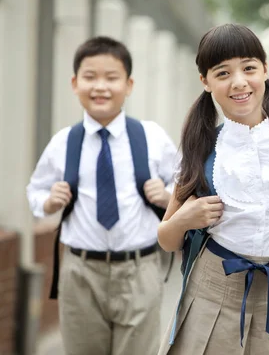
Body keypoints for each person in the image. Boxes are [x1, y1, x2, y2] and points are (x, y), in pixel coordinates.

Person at [156, 23, 269, 355]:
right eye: (223, 72)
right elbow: (167, 238)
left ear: (265, 70)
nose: (239, 82)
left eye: (249, 68)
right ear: (206, 81)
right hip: (216, 290)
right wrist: (186, 218)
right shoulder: (201, 146)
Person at [26, 36, 178, 355]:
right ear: (74, 82)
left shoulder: (151, 137)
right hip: (80, 271)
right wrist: (48, 201)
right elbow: (35, 190)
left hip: (140, 268)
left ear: (129, 84)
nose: (101, 87)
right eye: (90, 77)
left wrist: (166, 197)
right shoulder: (64, 142)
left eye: (111, 78)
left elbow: (186, 186)